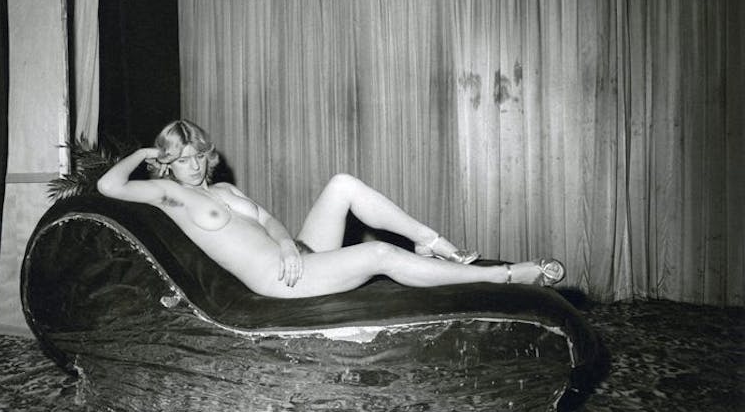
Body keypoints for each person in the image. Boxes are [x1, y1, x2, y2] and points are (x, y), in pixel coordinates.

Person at [97, 119, 565, 299]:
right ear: (168, 163)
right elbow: (108, 185)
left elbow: (267, 220)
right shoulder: (169, 195)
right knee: (379, 254)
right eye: (182, 159)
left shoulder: (223, 188)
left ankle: (431, 242)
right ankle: (501, 275)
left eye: (198, 154)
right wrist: (143, 154)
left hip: (295, 257)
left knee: (342, 184)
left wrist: (288, 245)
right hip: (278, 280)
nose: (194, 165)